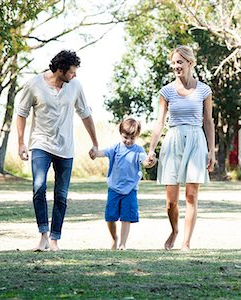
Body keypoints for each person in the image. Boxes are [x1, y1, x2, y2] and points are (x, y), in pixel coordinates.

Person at [16, 50, 98, 252]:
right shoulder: (34, 84)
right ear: (60, 70)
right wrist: (20, 143)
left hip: (65, 148)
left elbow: (85, 114)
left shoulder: (75, 86)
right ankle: (43, 234)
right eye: (72, 72)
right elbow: (21, 113)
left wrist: (95, 143)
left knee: (61, 195)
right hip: (40, 144)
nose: (75, 75)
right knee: (39, 187)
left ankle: (55, 238)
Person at [146, 45, 215, 252]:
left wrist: (211, 151)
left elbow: (209, 122)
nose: (176, 66)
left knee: (191, 196)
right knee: (171, 202)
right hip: (173, 139)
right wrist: (151, 149)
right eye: (174, 63)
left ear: (190, 63)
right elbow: (159, 122)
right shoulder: (166, 91)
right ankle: (174, 230)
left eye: (180, 62)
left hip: (196, 139)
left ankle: (186, 242)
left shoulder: (204, 90)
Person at [90, 118, 156, 250]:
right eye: (125, 137)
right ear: (121, 133)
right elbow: (103, 152)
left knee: (126, 217)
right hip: (114, 188)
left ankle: (122, 244)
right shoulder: (115, 148)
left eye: (132, 138)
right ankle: (115, 238)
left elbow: (146, 162)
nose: (128, 140)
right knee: (110, 217)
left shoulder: (138, 150)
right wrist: (95, 153)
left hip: (130, 190)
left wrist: (151, 161)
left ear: (137, 136)